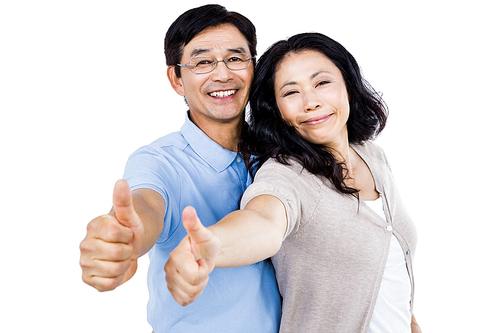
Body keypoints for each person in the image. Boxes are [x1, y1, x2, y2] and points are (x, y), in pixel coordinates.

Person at [165, 32, 422, 332]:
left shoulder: (373, 157)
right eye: (290, 93)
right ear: (278, 112)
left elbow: (393, 282)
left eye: (322, 83)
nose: (310, 102)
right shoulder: (287, 175)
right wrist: (211, 247)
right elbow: (264, 221)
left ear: (348, 86)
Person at [79, 4, 281, 333]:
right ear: (176, 78)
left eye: (235, 58)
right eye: (203, 62)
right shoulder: (160, 161)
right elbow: (146, 203)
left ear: (254, 68)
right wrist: (126, 237)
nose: (223, 74)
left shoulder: (275, 152)